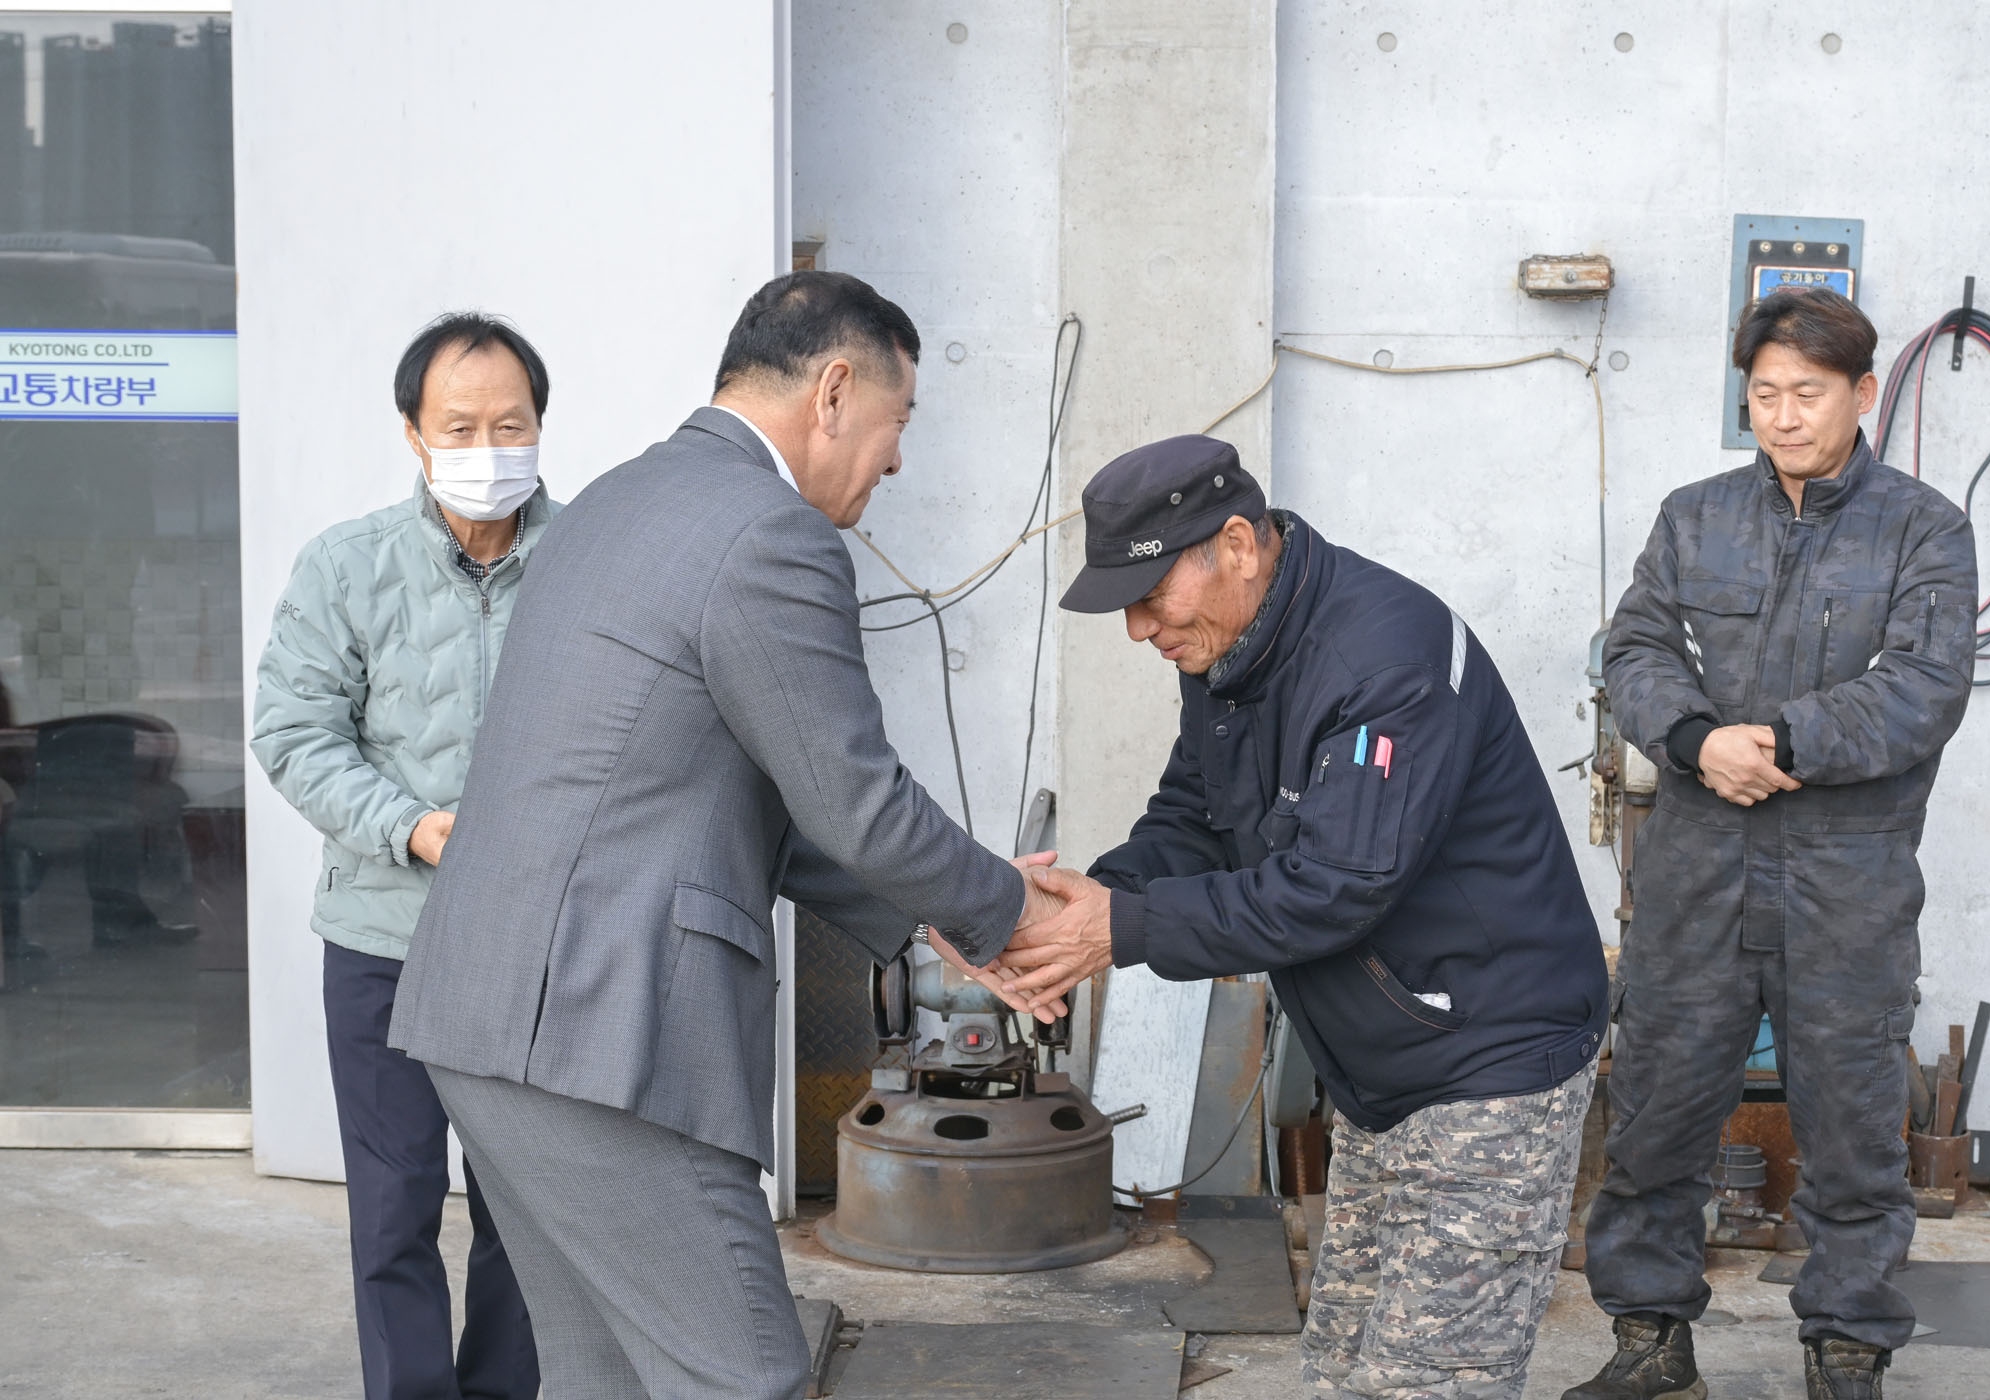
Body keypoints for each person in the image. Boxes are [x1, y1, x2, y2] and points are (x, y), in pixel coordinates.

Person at [387, 270, 1065, 1400]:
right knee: (745, 1376)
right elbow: (854, 799)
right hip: (606, 1035)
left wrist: (934, 918)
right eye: (899, 420)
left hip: (488, 1018)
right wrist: (1013, 913)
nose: (897, 460)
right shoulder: (771, 535)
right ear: (834, 391)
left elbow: (723, 788)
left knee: (601, 1378)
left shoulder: (615, 501)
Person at [996, 435, 1609, 1400]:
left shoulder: (1385, 664)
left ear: (1238, 546)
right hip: (1386, 1073)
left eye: (1150, 597)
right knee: (1342, 1374)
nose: (1140, 630)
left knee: (1427, 1385)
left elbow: (1336, 887)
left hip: (1488, 1071)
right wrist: (1082, 902)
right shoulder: (1232, 651)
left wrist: (1122, 928)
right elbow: (1195, 818)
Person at [1566, 288, 1977, 1400]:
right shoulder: (1693, 518)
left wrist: (1784, 741)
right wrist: (1696, 740)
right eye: (1764, 394)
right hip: (1698, 869)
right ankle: (1651, 1342)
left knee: (1851, 1129)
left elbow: (1923, 687)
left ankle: (1847, 1346)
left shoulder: (1924, 529)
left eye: (1808, 392)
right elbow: (1637, 647)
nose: (1785, 416)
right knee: (1657, 1111)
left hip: (1848, 879)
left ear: (1862, 393)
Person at [252, 312, 555, 1400]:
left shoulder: (590, 566)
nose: (487, 449)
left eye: (509, 425)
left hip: (538, 947)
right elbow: (294, 733)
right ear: (414, 434)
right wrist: (410, 825)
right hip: (384, 939)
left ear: (541, 427)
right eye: (459, 427)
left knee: (528, 1216)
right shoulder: (347, 567)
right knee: (393, 1209)